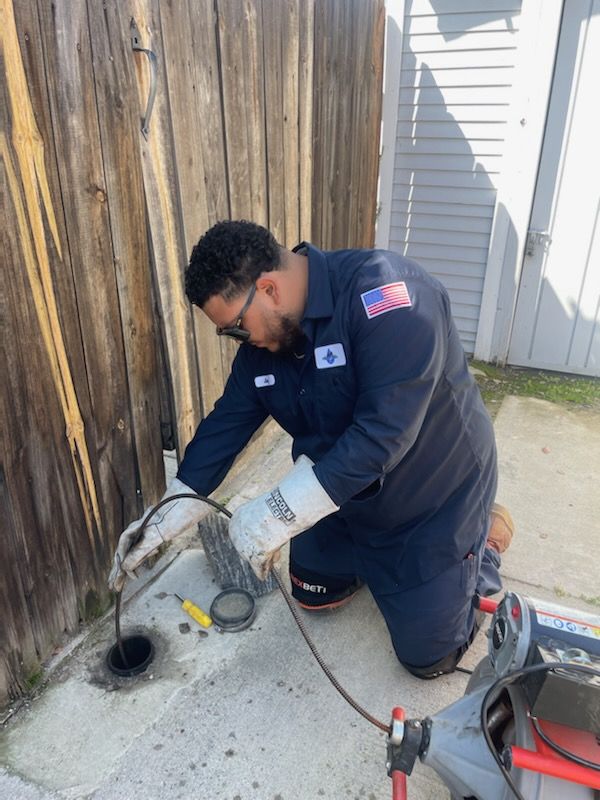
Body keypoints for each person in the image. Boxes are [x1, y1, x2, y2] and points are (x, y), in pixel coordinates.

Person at [109, 220, 513, 678]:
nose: (241, 342)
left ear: (268, 289)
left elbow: (381, 437)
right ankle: (375, 570)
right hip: (343, 497)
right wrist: (158, 525)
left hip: (429, 501)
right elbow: (222, 430)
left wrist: (276, 513)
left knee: (428, 658)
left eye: (236, 328)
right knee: (314, 595)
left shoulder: (391, 297)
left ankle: (484, 544)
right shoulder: (265, 349)